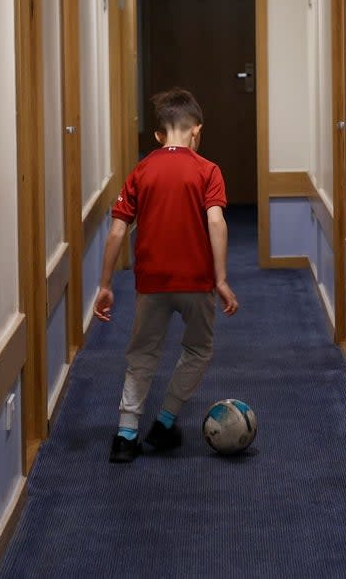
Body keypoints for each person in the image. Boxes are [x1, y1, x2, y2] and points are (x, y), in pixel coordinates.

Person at [93, 88, 239, 464]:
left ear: (158, 135)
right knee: (198, 349)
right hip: (196, 281)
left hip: (152, 283)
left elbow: (117, 231)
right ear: (197, 131)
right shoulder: (208, 170)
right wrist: (221, 278)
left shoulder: (141, 170)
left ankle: (125, 436)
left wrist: (106, 284)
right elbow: (216, 221)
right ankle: (165, 420)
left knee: (142, 354)